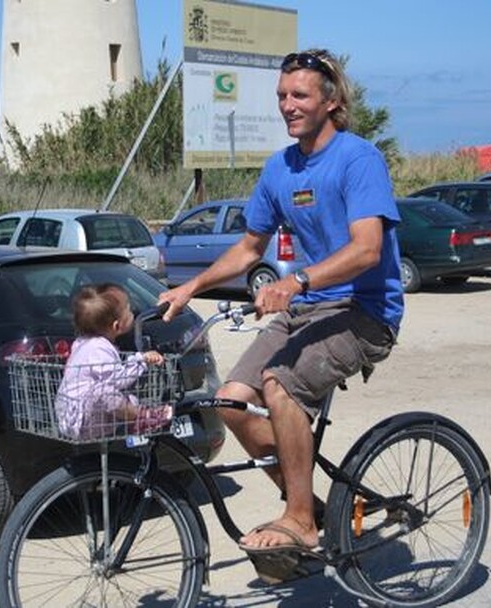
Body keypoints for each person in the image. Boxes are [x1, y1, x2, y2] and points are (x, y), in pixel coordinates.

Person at [158, 48, 404, 575]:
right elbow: (250, 247)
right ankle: (310, 503)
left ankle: (300, 519)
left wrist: (297, 280)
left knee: (281, 385)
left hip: (363, 308)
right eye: (281, 96)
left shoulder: (358, 159)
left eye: (300, 95)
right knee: (229, 401)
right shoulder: (280, 168)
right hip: (307, 308)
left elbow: (366, 249)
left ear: (331, 101)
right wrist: (192, 286)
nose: (288, 105)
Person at [55, 283, 172, 441]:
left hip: (75, 412)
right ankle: (142, 418)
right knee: (104, 391)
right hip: (79, 419)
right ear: (117, 326)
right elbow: (117, 380)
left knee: (127, 399)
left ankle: (136, 420)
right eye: (129, 311)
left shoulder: (83, 343)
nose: (133, 313)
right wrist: (141, 360)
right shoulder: (99, 348)